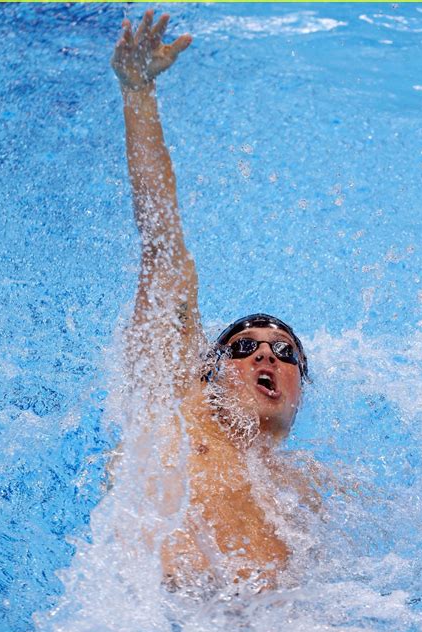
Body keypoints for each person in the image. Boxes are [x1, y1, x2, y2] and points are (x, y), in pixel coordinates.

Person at [110, 9, 323, 594]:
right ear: (207, 369)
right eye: (245, 347)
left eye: (285, 354)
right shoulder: (177, 407)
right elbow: (163, 242)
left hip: (271, 630)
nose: (266, 358)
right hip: (171, 620)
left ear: (301, 389)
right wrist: (138, 91)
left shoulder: (310, 488)